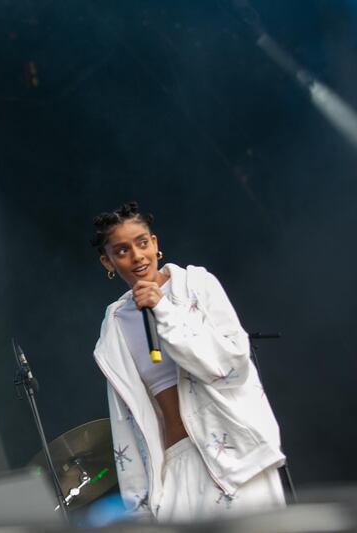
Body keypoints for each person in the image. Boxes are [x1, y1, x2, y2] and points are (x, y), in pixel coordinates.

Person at [90, 202, 285, 522]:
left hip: (233, 459)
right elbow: (126, 418)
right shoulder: (114, 325)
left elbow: (232, 366)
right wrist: (138, 503)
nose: (137, 256)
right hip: (175, 468)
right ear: (107, 262)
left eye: (142, 243)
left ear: (155, 244)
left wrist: (164, 309)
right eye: (122, 250)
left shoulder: (197, 285)